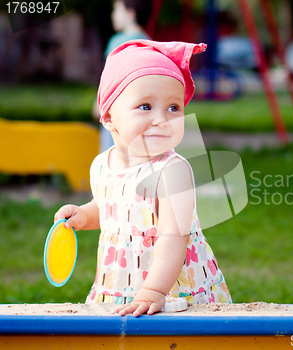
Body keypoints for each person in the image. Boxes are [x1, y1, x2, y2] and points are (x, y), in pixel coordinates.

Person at [55, 40, 231, 317]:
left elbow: (174, 237)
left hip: (172, 291)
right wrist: (83, 215)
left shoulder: (172, 171)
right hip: (121, 283)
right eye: (146, 106)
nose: (162, 119)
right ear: (110, 117)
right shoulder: (103, 164)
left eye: (174, 108)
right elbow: (111, 209)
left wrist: (154, 291)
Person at [93, 0, 152, 153]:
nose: (113, 16)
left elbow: (110, 79)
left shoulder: (117, 42)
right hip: (139, 113)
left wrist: (98, 104)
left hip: (115, 112)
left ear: (130, 14)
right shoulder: (149, 43)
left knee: (110, 156)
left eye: (117, 11)